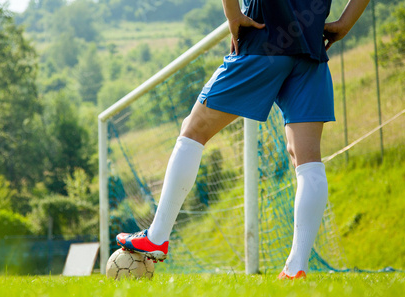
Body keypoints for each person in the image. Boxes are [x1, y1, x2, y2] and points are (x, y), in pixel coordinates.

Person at [116, 0, 370, 279]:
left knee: (194, 128)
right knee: (307, 160)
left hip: (265, 38)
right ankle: (297, 267)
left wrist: (233, 14)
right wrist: (345, 23)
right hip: (311, 46)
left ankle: (157, 236)